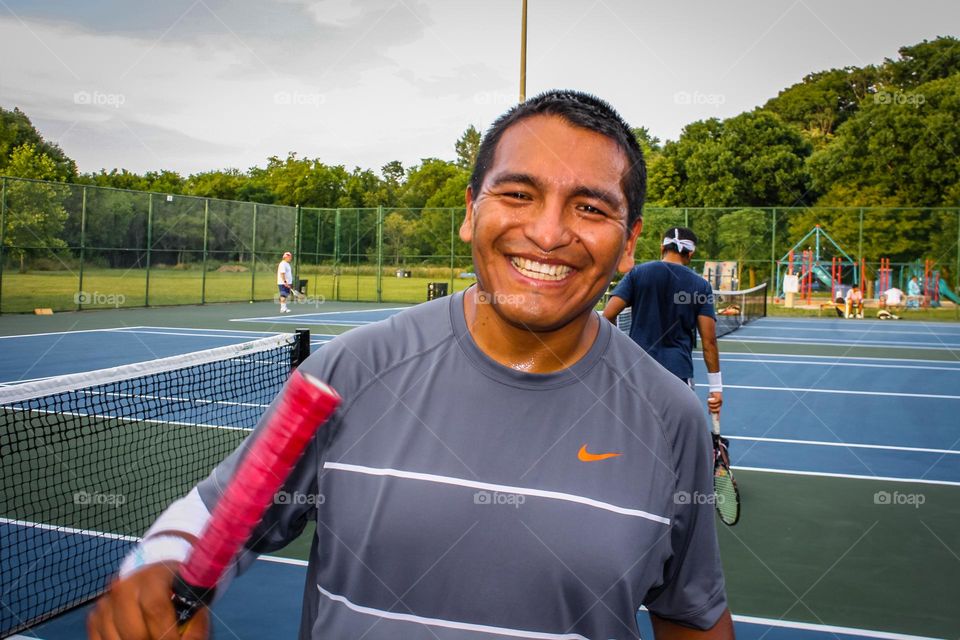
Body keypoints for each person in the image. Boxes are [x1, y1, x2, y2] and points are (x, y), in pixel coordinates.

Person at [88, 91, 733, 640]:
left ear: (630, 243)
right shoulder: (346, 373)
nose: (548, 232)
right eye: (518, 193)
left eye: (590, 208)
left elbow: (693, 617)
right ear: (469, 211)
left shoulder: (671, 419)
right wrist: (157, 569)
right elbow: (212, 515)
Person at [601, 227, 723, 417]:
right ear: (690, 253)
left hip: (637, 372)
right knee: (675, 438)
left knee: (636, 434)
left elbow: (607, 316)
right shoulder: (701, 286)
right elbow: (709, 342)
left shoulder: (638, 274)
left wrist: (619, 351)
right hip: (678, 374)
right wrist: (716, 388)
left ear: (662, 248)